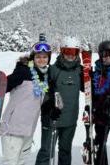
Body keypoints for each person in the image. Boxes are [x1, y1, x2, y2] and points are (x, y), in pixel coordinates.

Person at [0, 38, 52, 165]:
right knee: (11, 162)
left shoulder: (45, 76)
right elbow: (2, 86)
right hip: (12, 129)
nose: (42, 59)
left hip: (29, 130)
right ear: (32, 57)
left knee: (22, 161)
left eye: (45, 57)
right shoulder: (22, 72)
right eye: (38, 56)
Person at [35, 36, 84, 165]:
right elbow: (34, 77)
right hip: (51, 118)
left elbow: (91, 89)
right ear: (62, 52)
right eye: (67, 52)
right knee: (46, 151)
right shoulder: (52, 69)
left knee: (65, 151)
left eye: (73, 52)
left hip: (70, 120)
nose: (70, 56)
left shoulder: (80, 71)